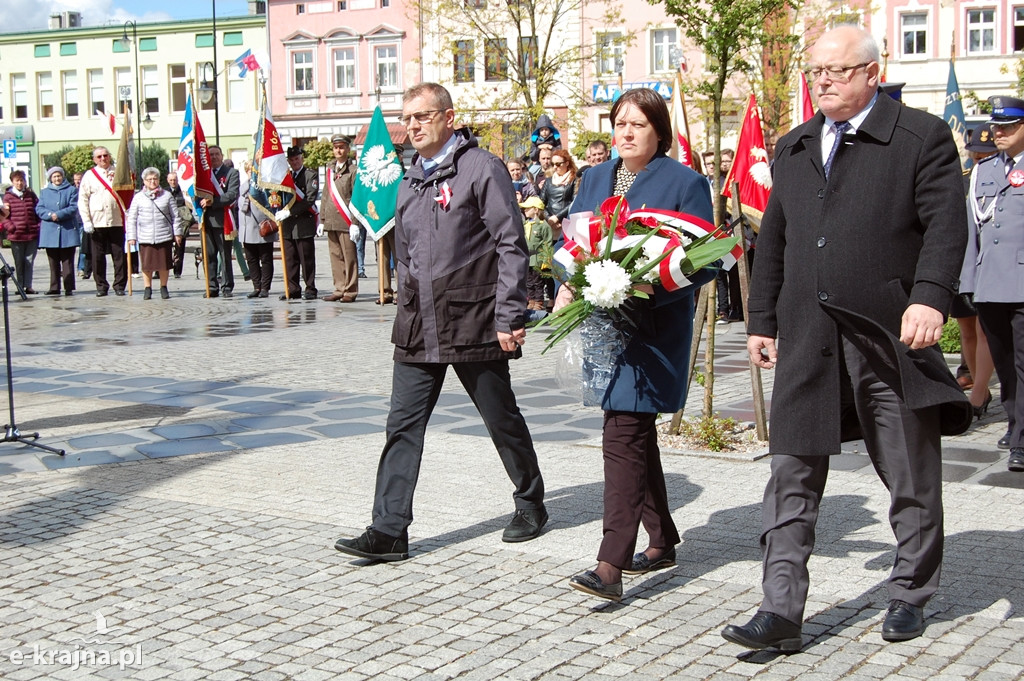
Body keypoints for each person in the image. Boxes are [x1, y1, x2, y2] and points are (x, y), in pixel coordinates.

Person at [720, 25, 970, 652]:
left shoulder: (919, 136)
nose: (822, 81)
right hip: (808, 335)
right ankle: (780, 612)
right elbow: (773, 239)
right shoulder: (796, 145)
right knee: (791, 475)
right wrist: (762, 322)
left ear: (871, 72)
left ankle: (911, 591)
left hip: (888, 333)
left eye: (836, 70)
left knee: (909, 472)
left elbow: (946, 224)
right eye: (815, 72)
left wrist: (931, 297)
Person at [334, 82, 547, 562]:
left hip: (472, 319)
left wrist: (510, 314)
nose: (411, 126)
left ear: (449, 119)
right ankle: (389, 530)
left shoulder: (482, 167)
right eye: (406, 119)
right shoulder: (408, 180)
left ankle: (530, 500)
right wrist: (407, 293)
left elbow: (511, 245)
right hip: (417, 324)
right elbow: (404, 252)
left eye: (422, 117)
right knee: (401, 425)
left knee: (500, 417)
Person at [558, 88, 716, 603]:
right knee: (633, 431)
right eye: (619, 123)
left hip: (653, 331)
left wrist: (650, 282)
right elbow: (570, 242)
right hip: (604, 327)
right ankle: (663, 538)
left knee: (621, 432)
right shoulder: (596, 177)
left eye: (638, 125)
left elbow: (707, 258)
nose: (626, 133)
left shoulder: (685, 183)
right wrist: (570, 277)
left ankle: (611, 563)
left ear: (659, 131)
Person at [964, 96, 1024, 471]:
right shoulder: (985, 172)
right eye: (996, 127)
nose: (998, 133)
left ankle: (1021, 441)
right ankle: (1016, 423)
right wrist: (969, 279)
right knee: (1005, 363)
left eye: (1008, 127)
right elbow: (973, 230)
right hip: (990, 283)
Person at [953, 125, 998, 422]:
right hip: (961, 263)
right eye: (977, 153)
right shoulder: (962, 181)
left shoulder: (1004, 178)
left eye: (987, 153)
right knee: (966, 329)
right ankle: (976, 379)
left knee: (984, 330)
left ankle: (979, 391)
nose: (981, 158)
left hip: (987, 263)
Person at [125, 167, 182, 300]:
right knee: (147, 265)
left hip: (164, 235)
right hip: (145, 236)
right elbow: (132, 218)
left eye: (155, 179)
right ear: (144, 181)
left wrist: (177, 233)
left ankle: (163, 287)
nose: (152, 181)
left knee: (164, 264)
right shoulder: (138, 198)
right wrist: (131, 236)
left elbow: (175, 216)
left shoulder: (167, 196)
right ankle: (147, 288)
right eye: (149, 179)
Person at [78, 146, 127, 296]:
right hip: (97, 221)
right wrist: (86, 220)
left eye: (105, 155)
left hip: (116, 219)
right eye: (99, 157)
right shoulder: (89, 175)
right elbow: (83, 199)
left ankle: (119, 285)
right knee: (97, 257)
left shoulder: (118, 172)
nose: (103, 159)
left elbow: (126, 193)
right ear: (94, 159)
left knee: (119, 255)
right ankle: (101, 286)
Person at [276, 146, 319, 300]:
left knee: (306, 259)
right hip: (288, 225)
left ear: (302, 159)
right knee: (290, 260)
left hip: (303, 223)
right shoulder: (285, 177)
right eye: (292, 159)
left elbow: (309, 199)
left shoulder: (310, 175)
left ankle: (310, 288)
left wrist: (290, 211)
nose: (294, 162)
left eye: (297, 159)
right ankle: (293, 289)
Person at [320, 134, 359, 303]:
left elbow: (356, 197)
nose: (338, 150)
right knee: (335, 256)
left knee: (349, 256)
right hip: (331, 220)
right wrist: (321, 220)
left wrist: (355, 223)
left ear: (348, 149)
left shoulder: (353, 171)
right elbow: (325, 196)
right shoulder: (330, 169)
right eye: (336, 147)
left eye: (342, 147)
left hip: (346, 220)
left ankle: (350, 290)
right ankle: (339, 287)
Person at [199, 145, 239, 298]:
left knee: (225, 256)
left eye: (216, 154)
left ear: (222, 156)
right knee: (208, 255)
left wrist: (212, 202)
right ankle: (211, 286)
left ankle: (227, 286)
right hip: (206, 220)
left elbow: (231, 194)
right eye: (211, 155)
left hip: (223, 221)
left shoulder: (231, 173)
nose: (214, 157)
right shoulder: (204, 174)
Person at [35, 167, 80, 297]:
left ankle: (69, 287)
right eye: (54, 177)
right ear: (50, 178)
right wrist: (50, 215)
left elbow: (73, 207)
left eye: (59, 176)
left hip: (67, 231)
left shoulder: (71, 190)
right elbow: (39, 208)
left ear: (63, 176)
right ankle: (54, 287)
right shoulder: (44, 192)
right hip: (50, 233)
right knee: (53, 261)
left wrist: (59, 214)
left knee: (67, 261)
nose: (57, 179)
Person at [237, 165, 275, 298]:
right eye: (249, 171)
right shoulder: (242, 187)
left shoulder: (265, 186)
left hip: (261, 228)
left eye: (255, 171)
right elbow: (240, 206)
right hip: (246, 229)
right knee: (251, 260)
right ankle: (256, 286)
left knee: (265, 259)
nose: (252, 174)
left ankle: (265, 287)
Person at [2, 169, 41, 294]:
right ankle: (20, 286)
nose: (20, 183)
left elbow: (38, 212)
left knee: (29, 261)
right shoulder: (8, 197)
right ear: (13, 182)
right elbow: (4, 217)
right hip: (16, 235)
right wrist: (11, 227)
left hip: (31, 234)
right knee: (19, 262)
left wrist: (38, 226)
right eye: (17, 181)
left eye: (22, 180)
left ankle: (28, 285)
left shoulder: (31, 195)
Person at [519, 196, 552, 312]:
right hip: (527, 258)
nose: (525, 211)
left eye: (528, 208)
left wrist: (546, 259)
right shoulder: (525, 225)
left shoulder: (543, 226)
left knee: (538, 282)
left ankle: (538, 302)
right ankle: (531, 301)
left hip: (538, 258)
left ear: (536, 210)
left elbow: (547, 243)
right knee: (528, 282)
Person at [166, 171, 195, 280]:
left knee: (180, 249)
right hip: (167, 225)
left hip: (181, 224)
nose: (173, 182)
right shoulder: (164, 192)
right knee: (165, 248)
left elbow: (190, 208)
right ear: (168, 181)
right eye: (171, 180)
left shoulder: (183, 193)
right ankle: (161, 271)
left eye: (175, 180)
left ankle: (177, 271)